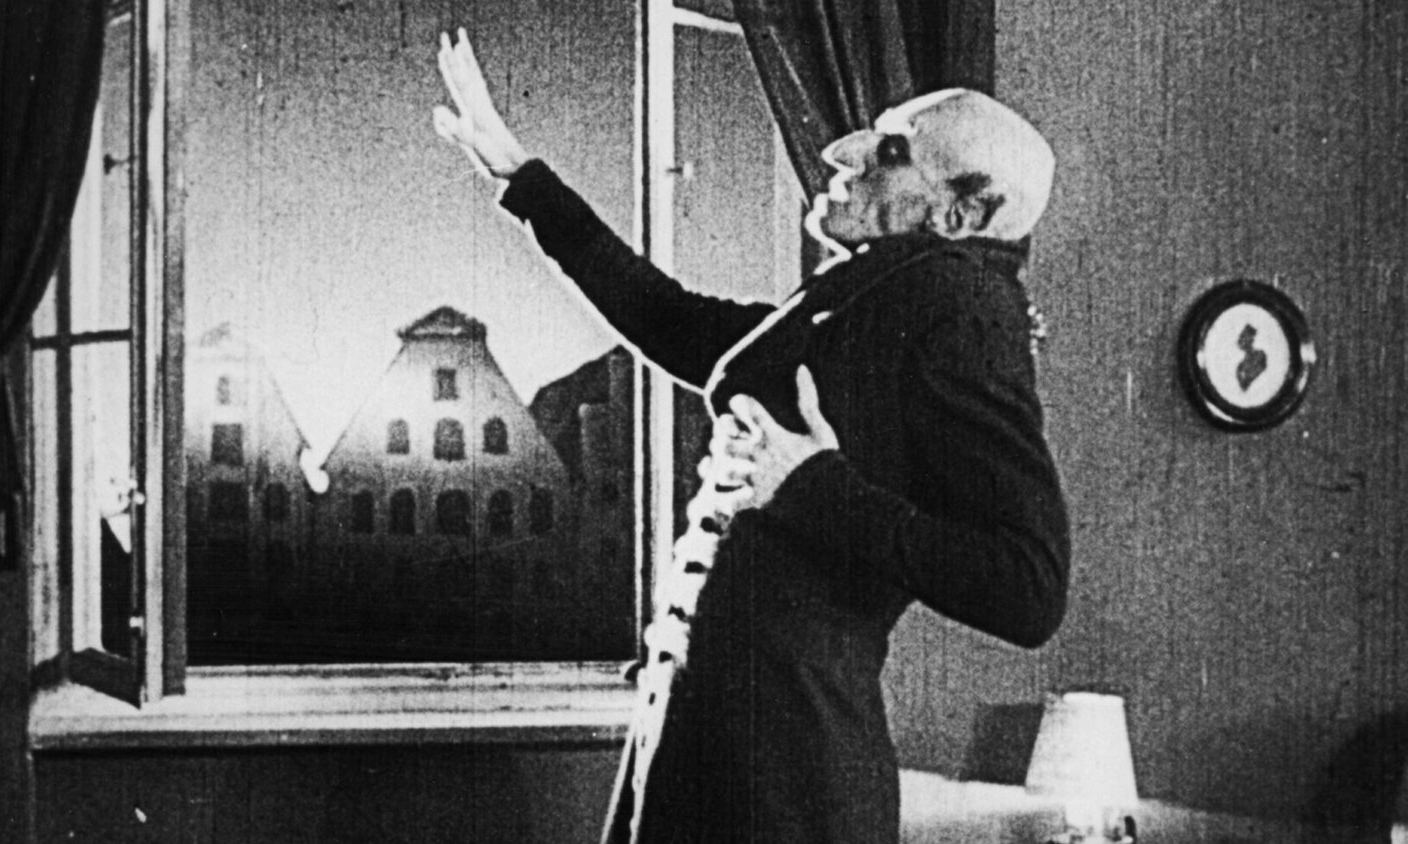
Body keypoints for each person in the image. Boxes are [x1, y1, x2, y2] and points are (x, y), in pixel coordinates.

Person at [433, 30, 1070, 844]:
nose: (841, 151)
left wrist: (811, 485)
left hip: (786, 778)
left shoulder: (959, 309)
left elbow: (1028, 586)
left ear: (960, 214)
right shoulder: (867, 301)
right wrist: (518, 174)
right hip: (725, 751)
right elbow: (670, 319)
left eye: (891, 150)